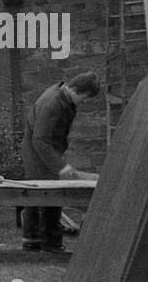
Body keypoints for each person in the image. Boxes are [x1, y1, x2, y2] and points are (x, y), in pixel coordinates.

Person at [21, 71, 101, 253]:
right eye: (86, 99)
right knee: (51, 194)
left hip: (45, 151)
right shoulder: (53, 103)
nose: (84, 103)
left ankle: (35, 241)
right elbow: (40, 140)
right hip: (37, 154)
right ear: (79, 92)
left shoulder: (63, 97)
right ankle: (48, 243)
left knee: (42, 194)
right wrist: (60, 166)